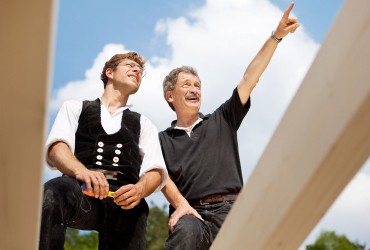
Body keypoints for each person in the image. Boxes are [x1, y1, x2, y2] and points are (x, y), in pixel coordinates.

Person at [159, 3, 299, 249]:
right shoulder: (161, 140)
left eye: (197, 85)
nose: (194, 89)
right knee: (185, 233)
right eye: (187, 85)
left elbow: (249, 79)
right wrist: (181, 205)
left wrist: (276, 36)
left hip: (231, 209)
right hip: (192, 213)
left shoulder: (222, 118)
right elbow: (159, 176)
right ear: (170, 96)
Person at [39, 52, 168, 250]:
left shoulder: (144, 124)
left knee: (138, 208)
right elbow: (57, 148)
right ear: (110, 72)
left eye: (140, 70)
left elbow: (156, 171)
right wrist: (82, 171)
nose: (137, 70)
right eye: (130, 65)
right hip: (80, 189)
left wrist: (140, 190)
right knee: (53, 192)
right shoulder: (75, 107)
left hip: (124, 199)